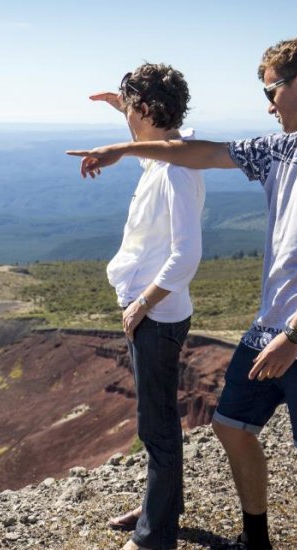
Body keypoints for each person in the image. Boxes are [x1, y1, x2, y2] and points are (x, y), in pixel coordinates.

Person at [69, 35, 297, 550]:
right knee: (231, 426)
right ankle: (255, 540)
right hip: (270, 326)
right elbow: (200, 152)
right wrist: (124, 147)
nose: (268, 103)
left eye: (272, 90)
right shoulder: (285, 146)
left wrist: (296, 336)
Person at [91, 63, 204, 550]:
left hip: (156, 318)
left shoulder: (176, 171)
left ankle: (155, 537)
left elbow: (187, 256)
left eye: (130, 105)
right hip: (156, 315)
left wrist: (141, 305)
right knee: (158, 419)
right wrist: (124, 113)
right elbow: (149, 157)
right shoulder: (168, 158)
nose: (127, 115)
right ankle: (163, 506)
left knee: (155, 428)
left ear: (147, 109)